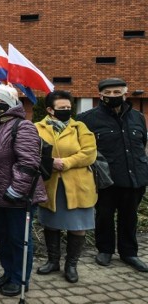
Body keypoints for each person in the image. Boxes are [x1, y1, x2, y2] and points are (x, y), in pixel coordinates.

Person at [0, 84, 47, 297]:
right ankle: (8, 272)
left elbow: (28, 162)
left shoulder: (23, 126)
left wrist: (17, 189)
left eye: (0, 101)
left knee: (19, 239)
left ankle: (20, 279)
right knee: (2, 237)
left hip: (17, 195)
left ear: (11, 104)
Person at [77, 78, 148, 272]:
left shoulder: (137, 117)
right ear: (100, 95)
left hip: (134, 177)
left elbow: (142, 144)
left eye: (117, 93)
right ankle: (105, 250)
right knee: (104, 216)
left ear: (125, 93)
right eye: (107, 93)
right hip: (105, 180)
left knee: (129, 217)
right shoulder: (87, 118)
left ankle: (129, 253)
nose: (112, 96)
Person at [35, 90, 97, 283]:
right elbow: (30, 151)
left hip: (77, 186)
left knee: (77, 226)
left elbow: (89, 153)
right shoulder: (37, 127)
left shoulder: (80, 127)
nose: (66, 111)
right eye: (61, 108)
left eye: (69, 108)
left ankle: (71, 265)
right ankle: (53, 261)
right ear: (50, 110)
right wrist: (49, 162)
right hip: (51, 184)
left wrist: (66, 162)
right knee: (51, 224)